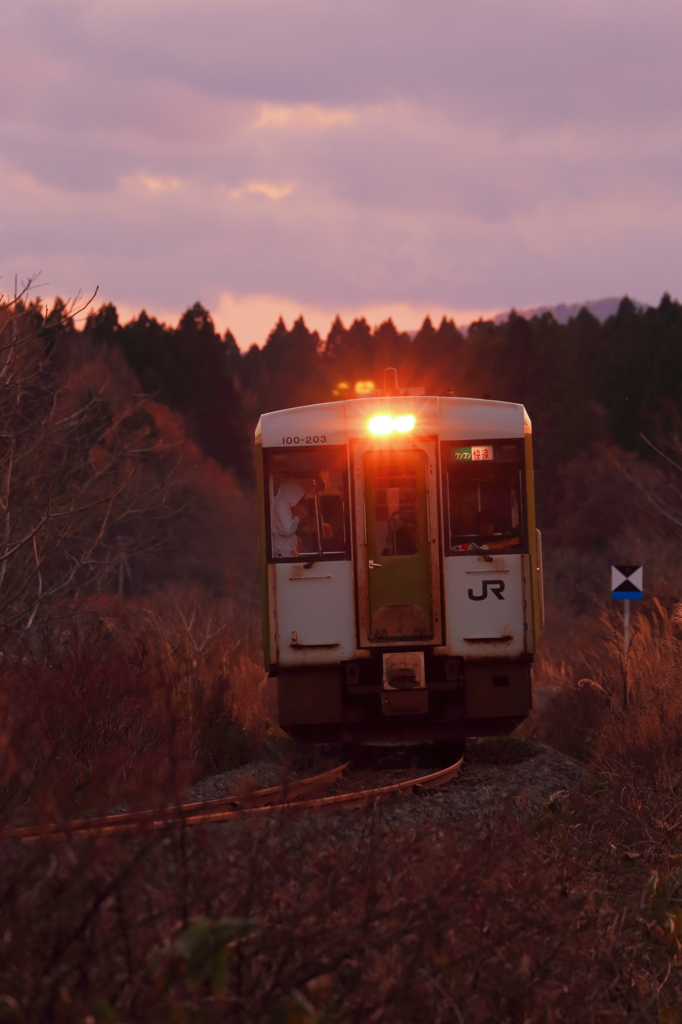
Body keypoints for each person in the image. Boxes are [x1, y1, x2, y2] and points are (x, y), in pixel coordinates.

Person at [272, 478, 312, 558]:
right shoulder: (281, 504)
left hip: (286, 551)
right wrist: (297, 518)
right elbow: (286, 530)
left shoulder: (283, 503)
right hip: (283, 553)